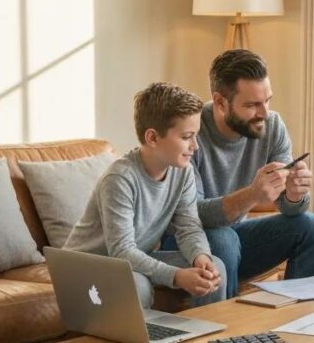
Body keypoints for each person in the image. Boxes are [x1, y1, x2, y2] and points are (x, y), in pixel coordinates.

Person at [162, 49, 314, 297]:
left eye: (267, 101)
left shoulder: (272, 126)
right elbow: (190, 215)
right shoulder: (190, 132)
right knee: (222, 240)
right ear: (220, 102)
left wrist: (294, 196)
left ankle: (301, 316)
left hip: (234, 235)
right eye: (252, 105)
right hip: (184, 241)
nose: (264, 113)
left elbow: (289, 208)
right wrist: (251, 195)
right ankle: (225, 322)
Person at [64, 82, 225, 308]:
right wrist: (177, 276)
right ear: (152, 138)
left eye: (195, 136)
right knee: (138, 284)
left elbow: (188, 227)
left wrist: (201, 257)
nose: (195, 146)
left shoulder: (184, 172)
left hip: (129, 259)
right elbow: (122, 251)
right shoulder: (120, 179)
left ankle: (209, 330)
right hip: (87, 267)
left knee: (215, 269)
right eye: (187, 136)